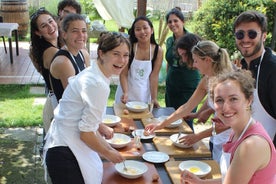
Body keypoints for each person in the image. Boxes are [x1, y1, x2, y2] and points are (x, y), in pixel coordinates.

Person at [44, 31, 131, 184]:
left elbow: (88, 125)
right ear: (102, 53)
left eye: (126, 55)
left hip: (63, 145)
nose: (122, 60)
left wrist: (109, 149)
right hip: (64, 153)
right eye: (116, 54)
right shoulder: (96, 83)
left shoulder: (96, 74)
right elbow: (86, 134)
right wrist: (109, 154)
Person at [181, 69, 276, 184]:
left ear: (249, 100)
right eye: (219, 100)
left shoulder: (251, 145)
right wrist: (200, 182)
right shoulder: (237, 132)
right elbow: (232, 177)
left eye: (233, 99)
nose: (225, 107)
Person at [146, 40, 233, 162]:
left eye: (196, 61)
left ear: (207, 60)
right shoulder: (206, 80)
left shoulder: (227, 85)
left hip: (232, 141)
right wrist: (160, 125)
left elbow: (227, 124)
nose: (194, 65)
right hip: (216, 138)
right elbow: (187, 107)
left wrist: (197, 136)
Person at [233, 10, 276, 147]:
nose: (245, 39)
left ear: (264, 36)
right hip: (246, 148)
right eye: (240, 34)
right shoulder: (243, 66)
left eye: (252, 34)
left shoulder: (272, 69)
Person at [165, 7, 201, 130]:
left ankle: (188, 143)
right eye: (169, 22)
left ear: (182, 21)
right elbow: (169, 61)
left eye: (175, 21)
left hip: (188, 85)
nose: (172, 24)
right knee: (170, 117)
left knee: (185, 118)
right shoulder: (169, 41)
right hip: (172, 85)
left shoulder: (192, 39)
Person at [115, 16, 163, 107]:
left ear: (151, 30)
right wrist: (125, 93)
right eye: (138, 29)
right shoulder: (129, 47)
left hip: (144, 94)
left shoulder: (158, 51)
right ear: (134, 32)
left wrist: (154, 98)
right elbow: (123, 74)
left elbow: (154, 76)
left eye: (145, 28)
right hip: (126, 94)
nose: (142, 32)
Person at [29, 8, 60, 132]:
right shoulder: (53, 52)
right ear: (38, 32)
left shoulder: (44, 48)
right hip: (56, 105)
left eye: (50, 21)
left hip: (52, 102)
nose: (50, 27)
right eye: (44, 26)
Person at [49, 13, 90, 103]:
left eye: (84, 31)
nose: (81, 35)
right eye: (75, 31)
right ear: (64, 34)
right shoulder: (63, 62)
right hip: (67, 114)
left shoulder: (84, 54)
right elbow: (75, 99)